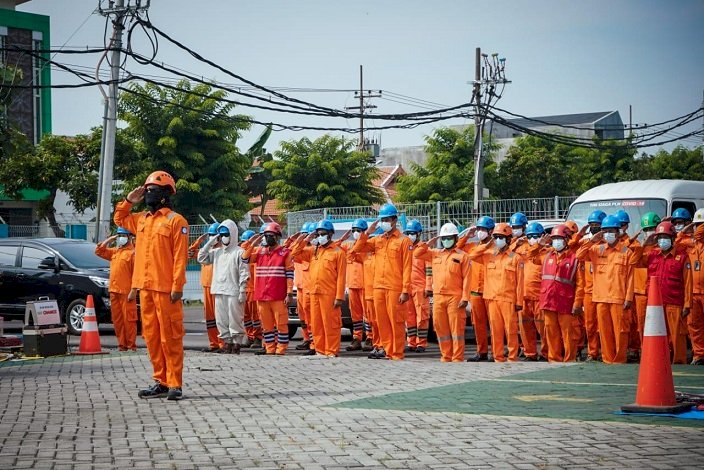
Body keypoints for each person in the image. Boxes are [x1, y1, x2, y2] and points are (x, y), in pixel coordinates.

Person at [115, 170, 189, 401]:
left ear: (166, 194)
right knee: (152, 338)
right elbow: (119, 219)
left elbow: (180, 257)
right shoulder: (141, 220)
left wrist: (178, 286)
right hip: (144, 288)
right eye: (147, 190)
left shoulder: (176, 221)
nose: (148, 195)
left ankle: (175, 383)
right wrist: (128, 201)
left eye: (153, 191)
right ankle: (161, 381)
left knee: (170, 337)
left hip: (166, 290)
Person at [351, 203, 412, 360]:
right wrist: (367, 232)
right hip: (378, 287)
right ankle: (387, 350)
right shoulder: (377, 240)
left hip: (395, 287)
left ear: (394, 220)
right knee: (382, 321)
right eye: (382, 219)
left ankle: (397, 352)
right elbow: (356, 249)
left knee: (396, 321)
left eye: (386, 219)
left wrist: (405, 290)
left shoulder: (404, 241)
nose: (384, 222)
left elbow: (407, 267)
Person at [575, 214, 636, 364]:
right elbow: (579, 255)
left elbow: (630, 277)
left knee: (620, 331)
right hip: (600, 298)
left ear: (618, 232)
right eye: (605, 230)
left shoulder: (626, 252)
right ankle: (607, 359)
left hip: (618, 298)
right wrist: (592, 240)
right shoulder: (597, 249)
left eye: (611, 230)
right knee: (604, 332)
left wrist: (628, 298)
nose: (608, 234)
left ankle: (620, 359)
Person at [465, 222, 524, 362]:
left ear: (509, 239)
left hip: (508, 299)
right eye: (496, 236)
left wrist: (519, 302)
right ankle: (497, 357)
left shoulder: (515, 258)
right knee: (495, 330)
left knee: (510, 330)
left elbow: (520, 282)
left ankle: (512, 356)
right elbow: (471, 256)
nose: (498, 239)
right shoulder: (488, 255)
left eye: (501, 237)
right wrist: (486, 245)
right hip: (491, 298)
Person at [413, 223, 471, 362]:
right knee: (441, 328)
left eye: (449, 237)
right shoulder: (435, 254)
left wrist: (465, 297)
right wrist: (427, 244)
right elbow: (416, 253)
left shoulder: (463, 256)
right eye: (444, 238)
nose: (446, 240)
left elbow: (468, 278)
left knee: (456, 329)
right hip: (438, 297)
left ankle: (457, 357)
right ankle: (446, 355)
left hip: (455, 297)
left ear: (456, 238)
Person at [637, 221, 692, 364]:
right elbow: (634, 261)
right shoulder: (652, 255)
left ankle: (679, 361)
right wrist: (645, 244)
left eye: (666, 237)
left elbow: (687, 282)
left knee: (677, 335)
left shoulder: (682, 257)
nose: (662, 240)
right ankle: (659, 361)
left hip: (674, 302)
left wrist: (687, 304)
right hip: (655, 305)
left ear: (673, 238)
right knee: (658, 335)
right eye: (660, 237)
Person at [527, 224, 584, 362]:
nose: (556, 241)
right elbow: (530, 255)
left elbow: (581, 284)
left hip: (566, 302)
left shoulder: (574, 258)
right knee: (551, 332)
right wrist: (539, 245)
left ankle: (569, 359)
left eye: (559, 238)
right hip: (548, 300)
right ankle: (554, 359)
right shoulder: (546, 255)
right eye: (554, 238)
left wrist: (577, 304)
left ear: (566, 239)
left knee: (568, 333)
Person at [291, 220, 346, 357]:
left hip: (329, 294)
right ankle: (320, 350)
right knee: (316, 323)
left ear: (331, 234)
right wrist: (306, 239)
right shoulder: (313, 251)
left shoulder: (338, 252)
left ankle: (331, 350)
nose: (320, 236)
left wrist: (339, 296)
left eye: (323, 234)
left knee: (330, 323)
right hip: (314, 293)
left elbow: (341, 276)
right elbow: (294, 254)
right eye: (318, 234)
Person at [198, 220, 250, 354]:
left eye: (226, 233)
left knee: (235, 319)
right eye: (222, 234)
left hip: (234, 291)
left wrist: (243, 289)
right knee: (221, 319)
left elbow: (244, 271)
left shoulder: (239, 252)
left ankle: (236, 343)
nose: (224, 237)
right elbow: (201, 257)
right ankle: (226, 343)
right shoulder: (217, 252)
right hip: (218, 289)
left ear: (232, 233)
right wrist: (211, 241)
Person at [243, 222, 294, 355]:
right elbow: (244, 259)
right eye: (266, 236)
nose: (268, 238)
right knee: (266, 325)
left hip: (278, 295)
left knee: (281, 324)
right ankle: (270, 348)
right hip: (262, 295)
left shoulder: (284, 253)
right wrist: (253, 243)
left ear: (277, 237)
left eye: (271, 235)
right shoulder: (259, 252)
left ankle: (281, 349)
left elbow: (289, 274)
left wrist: (289, 293)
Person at [458, 215, 495, 362]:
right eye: (479, 229)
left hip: (490, 290)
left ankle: (496, 351)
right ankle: (482, 352)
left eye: (483, 229)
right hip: (475, 291)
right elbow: (457, 249)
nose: (480, 232)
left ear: (491, 231)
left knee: (494, 324)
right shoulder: (472, 246)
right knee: (478, 324)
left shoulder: (496, 248)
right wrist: (466, 236)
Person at [95, 227, 138, 352]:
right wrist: (110, 239)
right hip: (114, 291)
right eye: (118, 235)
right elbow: (99, 251)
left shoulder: (133, 253)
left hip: (126, 292)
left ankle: (131, 345)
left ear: (130, 237)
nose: (120, 238)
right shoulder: (115, 252)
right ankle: (121, 345)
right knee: (117, 320)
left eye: (122, 235)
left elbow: (137, 274)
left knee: (129, 320)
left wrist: (134, 290)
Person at [630, 212, 661, 359]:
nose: (650, 232)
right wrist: (643, 245)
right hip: (640, 292)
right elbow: (634, 261)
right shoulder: (640, 246)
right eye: (647, 229)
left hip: (659, 292)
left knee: (662, 324)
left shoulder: (663, 248)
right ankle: (645, 351)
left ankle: (665, 351)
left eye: (652, 228)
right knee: (642, 324)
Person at [514, 221, 546, 361]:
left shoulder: (548, 251)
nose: (533, 238)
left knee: (544, 328)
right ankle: (530, 353)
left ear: (542, 235)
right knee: (525, 328)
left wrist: (541, 245)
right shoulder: (522, 250)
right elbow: (509, 252)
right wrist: (517, 242)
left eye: (536, 236)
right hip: (524, 296)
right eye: (530, 236)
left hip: (540, 297)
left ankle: (546, 353)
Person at [189, 223, 222, 352]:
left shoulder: (222, 251)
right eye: (210, 236)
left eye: (214, 236)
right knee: (210, 318)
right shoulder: (205, 251)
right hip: (206, 287)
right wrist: (199, 241)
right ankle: (213, 343)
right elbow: (190, 253)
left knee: (220, 317)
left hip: (218, 287)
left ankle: (222, 342)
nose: (212, 239)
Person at [403, 219, 432, 353]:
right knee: (409, 317)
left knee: (422, 316)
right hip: (407, 287)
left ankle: (421, 343)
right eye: (408, 233)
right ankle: (411, 342)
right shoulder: (405, 248)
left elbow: (429, 270)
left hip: (420, 288)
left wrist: (429, 287)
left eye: (412, 233)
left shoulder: (424, 249)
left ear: (418, 234)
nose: (410, 235)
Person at [343, 219, 368, 351]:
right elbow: (334, 246)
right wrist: (343, 237)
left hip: (365, 285)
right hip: (352, 285)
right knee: (356, 315)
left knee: (368, 314)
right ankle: (357, 338)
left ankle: (370, 337)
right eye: (354, 230)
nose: (355, 233)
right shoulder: (348, 245)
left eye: (358, 230)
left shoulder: (367, 246)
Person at [293, 222, 315, 353]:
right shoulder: (300, 249)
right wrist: (299, 239)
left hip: (309, 288)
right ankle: (306, 339)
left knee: (311, 317)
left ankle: (313, 341)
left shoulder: (312, 250)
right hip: (300, 288)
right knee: (302, 318)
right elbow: (290, 251)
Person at [686, 208, 704, 365]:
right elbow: (676, 241)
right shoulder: (691, 245)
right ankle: (699, 354)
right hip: (693, 292)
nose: (698, 229)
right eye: (696, 225)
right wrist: (689, 227)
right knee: (694, 325)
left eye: (701, 225)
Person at [239, 229, 263, 348]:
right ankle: (250, 336)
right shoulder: (244, 252)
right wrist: (248, 242)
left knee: (255, 317)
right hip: (245, 288)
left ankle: (258, 338)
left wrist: (251, 243)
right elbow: (243, 249)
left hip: (254, 289)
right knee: (246, 316)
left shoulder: (257, 251)